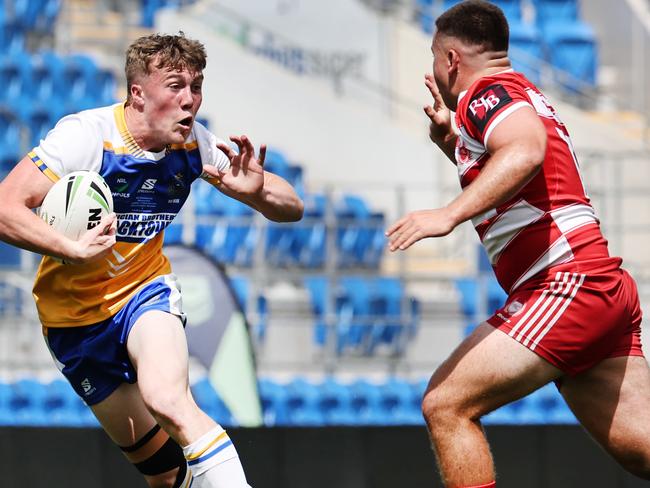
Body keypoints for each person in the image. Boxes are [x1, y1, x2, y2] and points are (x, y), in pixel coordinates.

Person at [0, 33, 303, 487]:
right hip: (73, 326)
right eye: (176, 85)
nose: (190, 101)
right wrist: (71, 248)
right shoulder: (87, 137)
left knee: (169, 399)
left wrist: (260, 193)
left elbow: (293, 206)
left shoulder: (194, 145)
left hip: (145, 294)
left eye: (196, 86)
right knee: (164, 477)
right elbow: (6, 206)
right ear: (138, 94)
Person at [386, 1, 650, 487]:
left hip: (565, 284)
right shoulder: (517, 90)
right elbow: (517, 172)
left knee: (446, 405)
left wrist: (446, 215)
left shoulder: (484, 93)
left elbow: (527, 150)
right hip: (596, 285)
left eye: (432, 55)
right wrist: (454, 147)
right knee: (643, 452)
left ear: (449, 60)